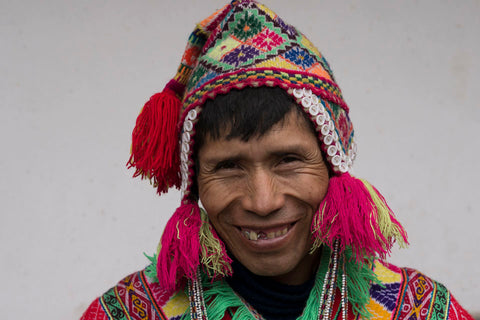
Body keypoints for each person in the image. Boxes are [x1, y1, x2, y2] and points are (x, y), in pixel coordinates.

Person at [80, 1, 474, 319]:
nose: (263, 201)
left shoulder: (422, 310)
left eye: (288, 160)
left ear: (334, 165)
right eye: (228, 166)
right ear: (195, 180)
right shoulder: (130, 313)